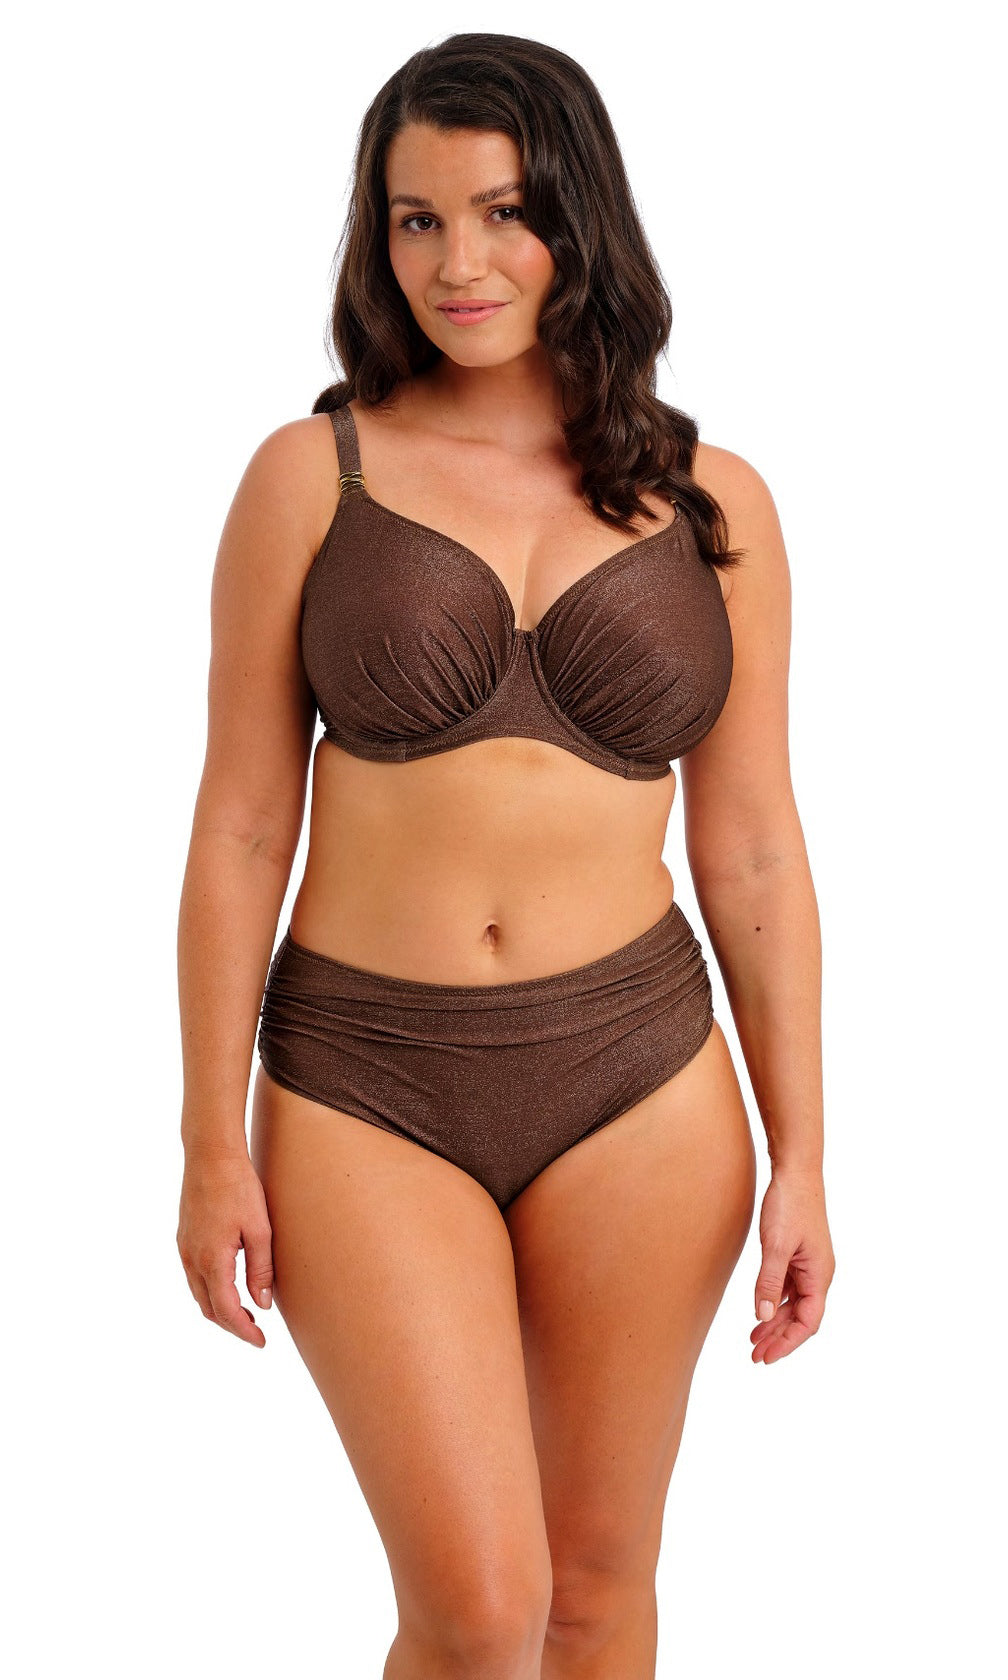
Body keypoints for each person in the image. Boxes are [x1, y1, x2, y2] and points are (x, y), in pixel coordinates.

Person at [176, 31, 835, 1680]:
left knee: (596, 1597)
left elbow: (755, 848)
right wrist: (206, 1142)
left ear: (578, 222)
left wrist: (806, 1155)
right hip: (363, 1080)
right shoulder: (310, 476)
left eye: (503, 212)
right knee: (477, 1614)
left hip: (642, 1078)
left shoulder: (714, 506)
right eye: (416, 220)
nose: (457, 264)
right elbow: (241, 822)